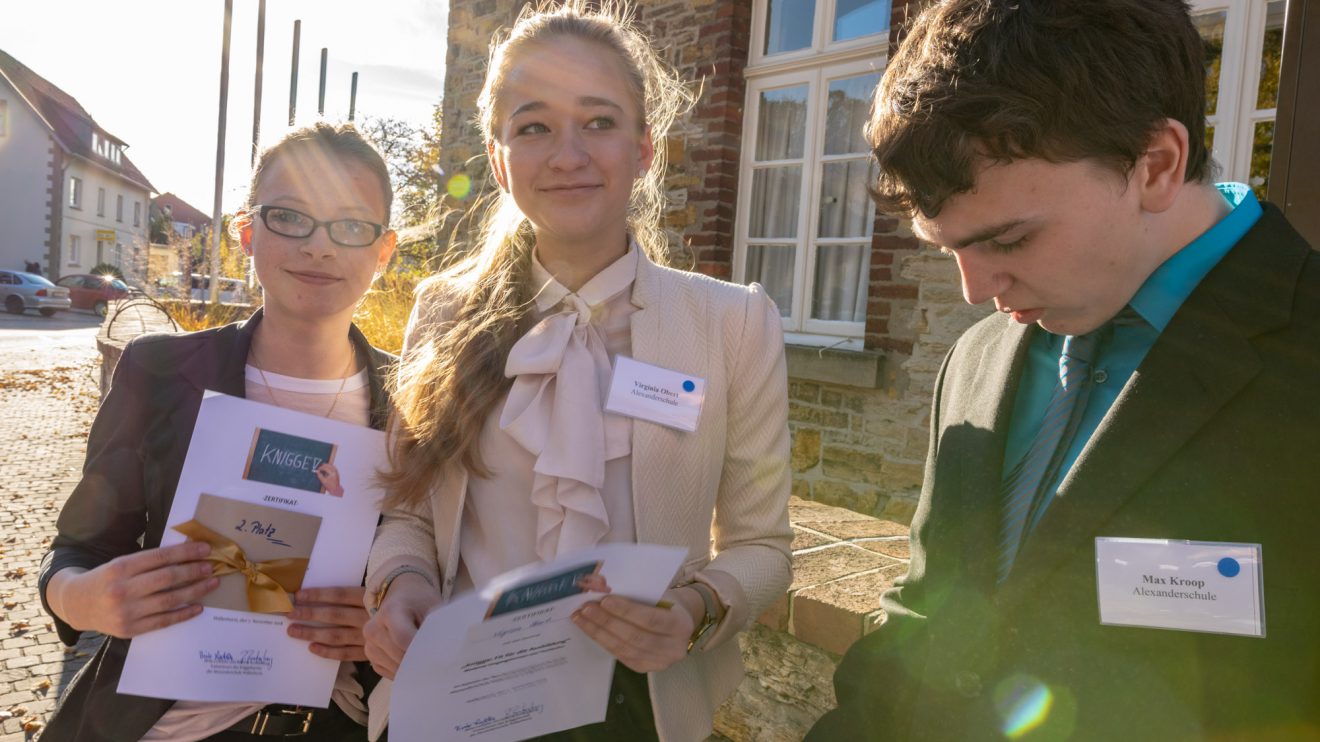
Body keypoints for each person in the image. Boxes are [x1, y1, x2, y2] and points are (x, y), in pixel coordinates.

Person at [807, 1, 1320, 739]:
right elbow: (927, 617)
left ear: (1157, 165)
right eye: (947, 248)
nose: (974, 291)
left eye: (1010, 240)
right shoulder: (979, 360)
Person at [360, 3, 793, 741]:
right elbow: (406, 512)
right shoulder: (443, 310)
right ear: (498, 160)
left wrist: (696, 611)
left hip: (639, 707)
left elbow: (763, 548)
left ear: (644, 148)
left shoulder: (733, 324)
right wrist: (399, 587)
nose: (568, 154)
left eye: (599, 121)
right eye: (533, 127)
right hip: (463, 696)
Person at [37, 122, 399, 742]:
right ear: (247, 232)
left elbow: (438, 585)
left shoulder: (418, 402)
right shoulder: (160, 373)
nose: (319, 246)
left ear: (384, 250)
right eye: (290, 217)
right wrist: (84, 599)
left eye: (350, 225)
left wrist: (382, 626)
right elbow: (73, 554)